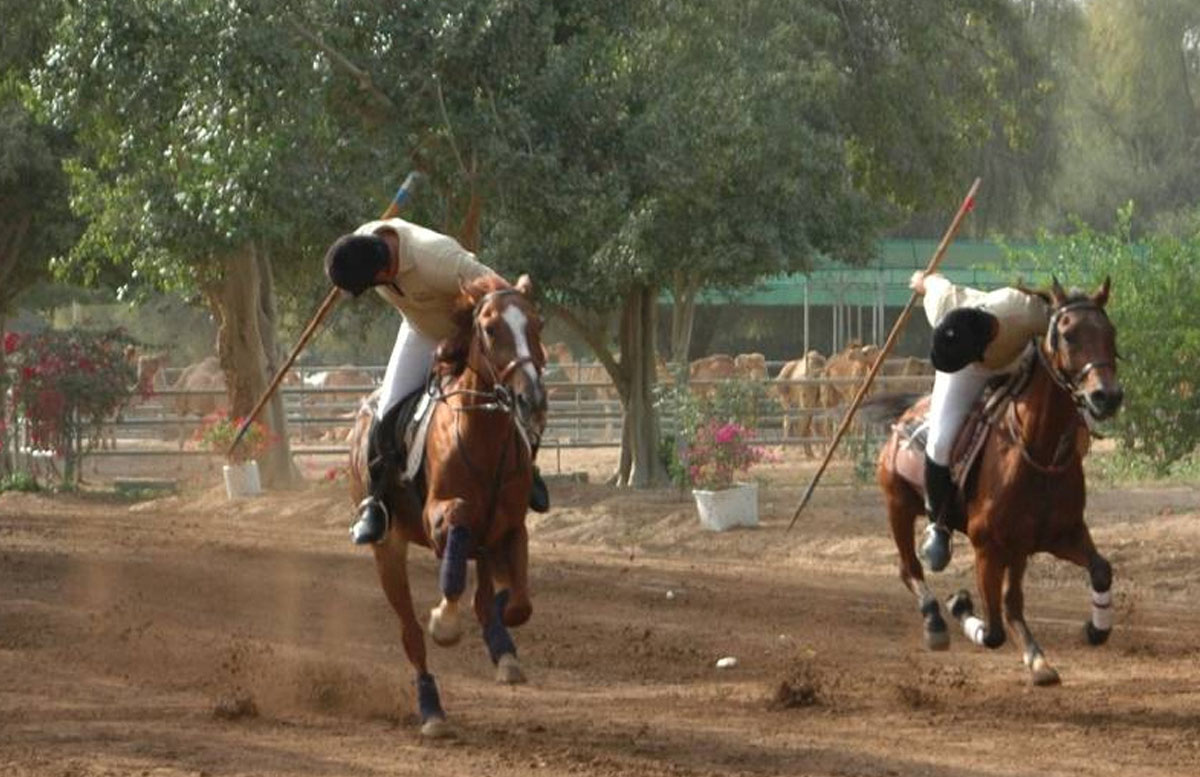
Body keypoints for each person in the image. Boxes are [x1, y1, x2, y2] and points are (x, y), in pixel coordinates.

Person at [324, 217, 550, 545]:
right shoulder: (361, 245)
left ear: (384, 273)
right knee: (384, 415)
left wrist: (482, 344)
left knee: (515, 397)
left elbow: (502, 292)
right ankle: (376, 503)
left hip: (472, 335)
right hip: (419, 330)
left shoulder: (437, 258)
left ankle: (528, 473)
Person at [909, 270, 1050, 571]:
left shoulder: (1022, 311)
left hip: (1018, 360)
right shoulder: (946, 305)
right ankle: (938, 526)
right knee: (940, 440)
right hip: (964, 371)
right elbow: (933, 282)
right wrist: (920, 281)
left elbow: (1061, 322)